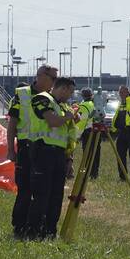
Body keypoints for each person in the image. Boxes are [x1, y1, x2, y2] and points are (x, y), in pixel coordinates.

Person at [7, 65, 56, 239]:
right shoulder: (22, 95)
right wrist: (10, 149)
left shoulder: (52, 98)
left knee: (42, 191)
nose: (54, 83)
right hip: (26, 148)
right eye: (53, 78)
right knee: (25, 189)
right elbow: (12, 123)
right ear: (41, 76)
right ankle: (19, 226)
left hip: (45, 150)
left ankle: (37, 227)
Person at [25, 77, 77, 240]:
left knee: (56, 195)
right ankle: (33, 231)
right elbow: (52, 121)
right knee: (42, 193)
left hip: (59, 153)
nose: (70, 96)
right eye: (70, 92)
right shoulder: (42, 99)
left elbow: (67, 133)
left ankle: (49, 231)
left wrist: (69, 158)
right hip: (43, 150)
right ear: (63, 88)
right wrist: (67, 117)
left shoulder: (61, 106)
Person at [75, 88, 101, 179]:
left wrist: (77, 135)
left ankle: (86, 173)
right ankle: (95, 173)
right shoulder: (93, 104)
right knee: (96, 153)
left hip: (87, 132)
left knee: (87, 154)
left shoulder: (83, 105)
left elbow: (81, 122)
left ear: (82, 96)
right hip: (96, 130)